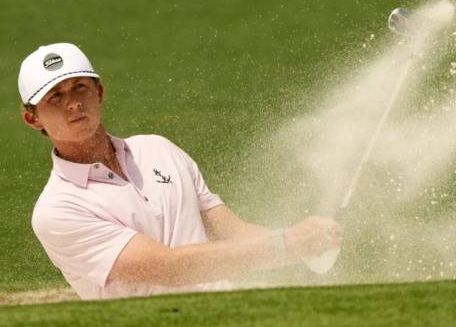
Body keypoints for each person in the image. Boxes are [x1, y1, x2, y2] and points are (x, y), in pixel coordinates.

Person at [19, 42, 342, 300]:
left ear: (99, 92)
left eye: (79, 87)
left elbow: (231, 232)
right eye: (55, 97)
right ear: (33, 119)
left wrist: (308, 243)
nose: (73, 103)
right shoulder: (58, 210)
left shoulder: (158, 149)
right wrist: (287, 244)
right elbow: (170, 268)